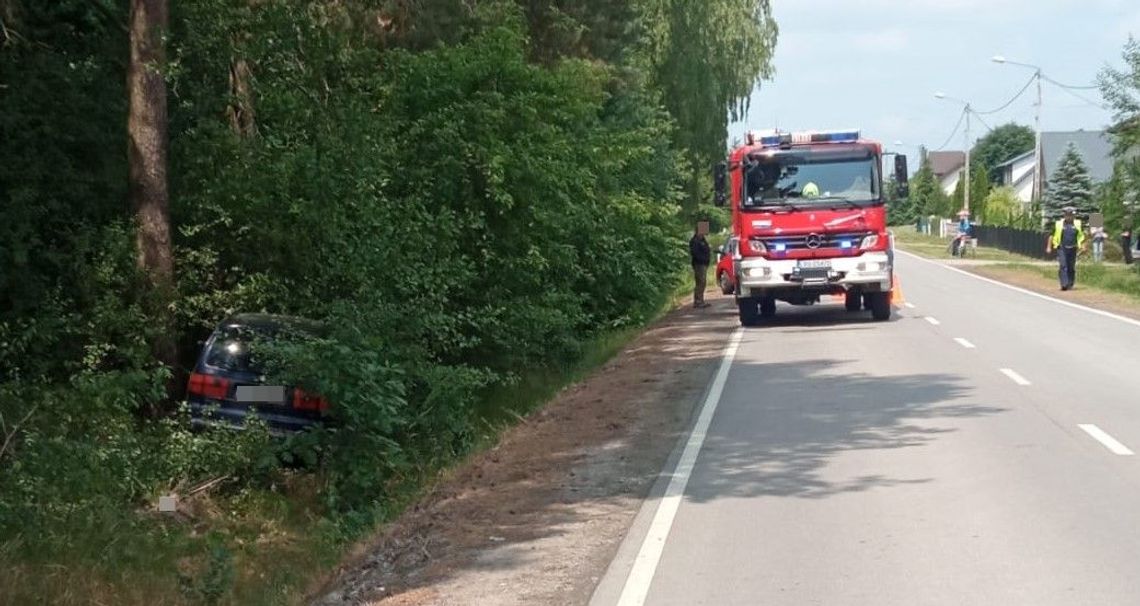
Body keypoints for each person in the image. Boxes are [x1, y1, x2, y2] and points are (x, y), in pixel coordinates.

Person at [1046, 206, 1086, 291]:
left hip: (1073, 248)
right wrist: (1049, 247)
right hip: (1062, 248)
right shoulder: (1059, 224)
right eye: (1068, 215)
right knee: (1063, 265)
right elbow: (1051, 236)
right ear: (1064, 215)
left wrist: (1082, 245)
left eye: (1071, 215)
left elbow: (1081, 236)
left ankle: (1070, 284)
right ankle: (1064, 284)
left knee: (1071, 266)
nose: (1069, 217)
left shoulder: (1077, 224)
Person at [689, 224, 711, 308]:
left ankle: (701, 300)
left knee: (703, 282)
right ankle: (698, 301)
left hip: (704, 264)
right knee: (700, 282)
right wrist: (702, 259)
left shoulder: (703, 240)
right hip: (699, 264)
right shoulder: (695, 241)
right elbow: (695, 253)